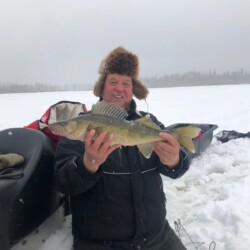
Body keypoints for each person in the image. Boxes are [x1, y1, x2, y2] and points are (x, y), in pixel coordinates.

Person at [54, 47, 190, 250]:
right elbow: (63, 182)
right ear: (102, 87)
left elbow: (178, 168)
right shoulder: (83, 127)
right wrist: (87, 165)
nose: (120, 88)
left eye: (126, 83)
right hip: (101, 244)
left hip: (156, 237)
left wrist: (174, 160)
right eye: (113, 82)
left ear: (133, 89)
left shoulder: (147, 123)